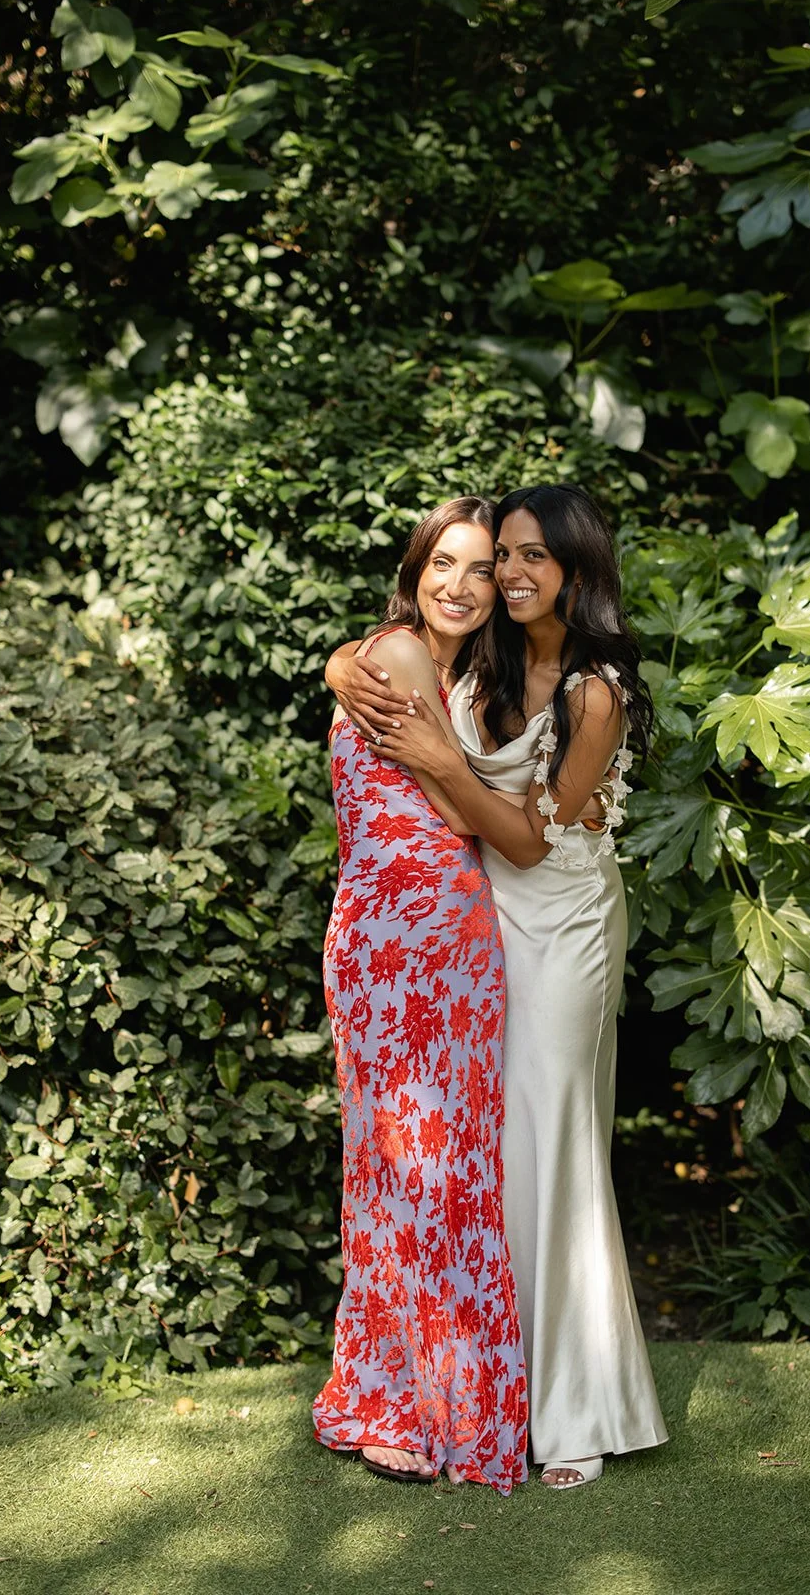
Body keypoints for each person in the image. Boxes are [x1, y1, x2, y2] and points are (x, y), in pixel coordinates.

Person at [335, 484, 667, 1489]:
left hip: (560, 922)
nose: (510, 576)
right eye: (500, 558)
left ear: (577, 569)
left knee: (556, 1138)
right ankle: (495, 1389)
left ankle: (577, 1408)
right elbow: (380, 652)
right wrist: (341, 663)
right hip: (481, 925)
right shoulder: (491, 656)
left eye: (530, 558)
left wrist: (439, 755)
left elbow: (527, 838)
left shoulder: (595, 690)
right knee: (492, 1150)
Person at [311, 497, 528, 1495]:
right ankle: (391, 1399)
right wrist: (471, 786)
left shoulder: (460, 678)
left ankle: (430, 1397)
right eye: (444, 562)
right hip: (392, 945)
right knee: (397, 1174)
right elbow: (454, 803)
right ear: (416, 568)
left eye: (480, 570)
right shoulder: (394, 654)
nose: (460, 584)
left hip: (452, 946)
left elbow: (457, 790)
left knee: (442, 1172)